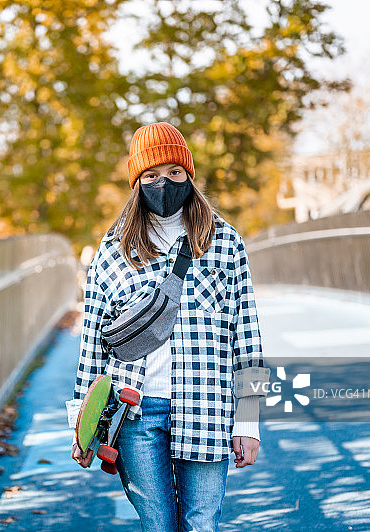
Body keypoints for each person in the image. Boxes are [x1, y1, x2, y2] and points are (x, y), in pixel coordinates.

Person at [66, 122, 270, 532]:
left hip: (207, 406)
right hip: (136, 410)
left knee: (202, 525)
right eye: (152, 175)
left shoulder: (225, 242)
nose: (164, 183)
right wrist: (81, 422)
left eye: (175, 172)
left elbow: (246, 336)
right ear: (137, 181)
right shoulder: (114, 249)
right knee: (158, 526)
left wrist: (249, 422)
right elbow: (92, 341)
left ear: (189, 176)